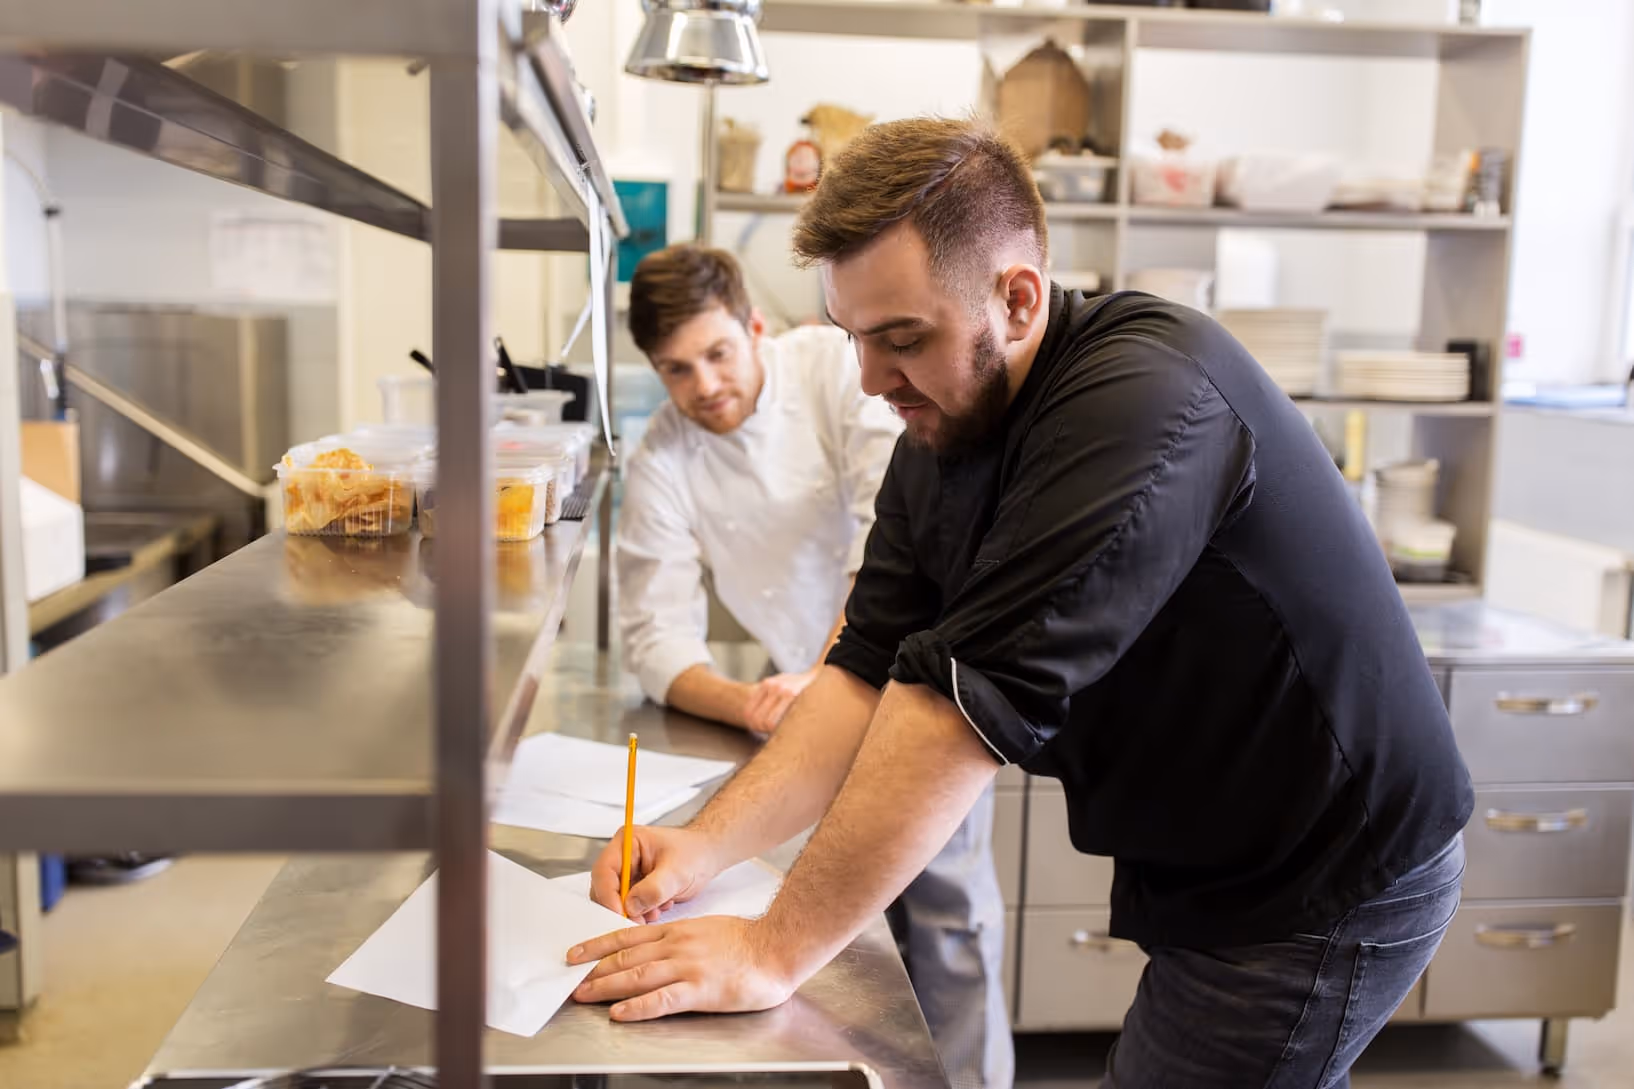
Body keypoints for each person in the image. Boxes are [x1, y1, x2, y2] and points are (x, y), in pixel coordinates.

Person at [571, 120, 1472, 1089]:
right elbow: (866, 669)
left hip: (1323, 870)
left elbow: (953, 710)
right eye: (854, 341)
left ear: (1017, 298)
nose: (872, 382)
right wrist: (706, 845)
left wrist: (771, 949)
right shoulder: (943, 425)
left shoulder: (1141, 401)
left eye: (900, 340)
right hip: (1214, 855)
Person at [615, 242, 1014, 1089]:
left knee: (947, 921)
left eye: (719, 353)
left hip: (928, 687)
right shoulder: (661, 459)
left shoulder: (839, 372)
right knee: (834, 939)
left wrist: (835, 667)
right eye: (677, 370)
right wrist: (753, 704)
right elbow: (653, 635)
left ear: (755, 327)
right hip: (803, 715)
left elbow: (892, 541)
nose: (705, 385)